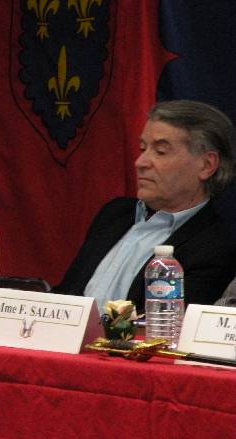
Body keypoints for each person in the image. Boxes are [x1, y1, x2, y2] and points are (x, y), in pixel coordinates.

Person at [55, 99, 236, 313]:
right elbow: (66, 295)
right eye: (143, 148)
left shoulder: (217, 246)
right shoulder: (115, 214)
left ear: (206, 165)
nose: (140, 162)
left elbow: (167, 329)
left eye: (160, 151)